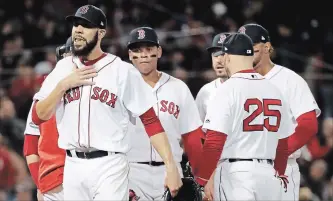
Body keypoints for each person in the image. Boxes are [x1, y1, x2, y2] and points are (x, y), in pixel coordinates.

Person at [30, 5, 182, 201]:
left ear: (101, 33)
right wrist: (62, 86)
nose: (78, 30)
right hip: (73, 165)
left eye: (85, 26)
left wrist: (170, 166)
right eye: (76, 25)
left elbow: (151, 121)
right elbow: (37, 115)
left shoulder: (121, 70)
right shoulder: (63, 68)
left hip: (109, 165)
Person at [197, 33, 292, 201]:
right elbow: (283, 145)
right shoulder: (275, 90)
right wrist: (279, 173)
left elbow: (213, 142)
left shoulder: (227, 89)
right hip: (269, 175)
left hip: (237, 175)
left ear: (227, 56)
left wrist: (202, 179)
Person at [238, 23, 321, 201]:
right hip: (242, 168)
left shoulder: (289, 80)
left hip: (280, 168)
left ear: (267, 47)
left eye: (252, 46)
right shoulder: (235, 82)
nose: (247, 52)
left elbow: (308, 124)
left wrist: (280, 152)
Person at [125, 27, 203, 201]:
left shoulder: (178, 88)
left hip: (171, 173)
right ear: (130, 55)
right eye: (137, 50)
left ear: (159, 51)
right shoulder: (121, 89)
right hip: (132, 173)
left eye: (149, 49)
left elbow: (193, 137)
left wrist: (203, 177)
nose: (144, 55)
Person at [23, 37, 72, 201]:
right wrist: (40, 185)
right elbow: (30, 148)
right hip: (56, 182)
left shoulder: (100, 90)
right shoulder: (43, 96)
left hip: (92, 175)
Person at [196, 32, 231, 122]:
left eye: (223, 54)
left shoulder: (250, 87)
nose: (218, 60)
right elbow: (197, 130)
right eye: (215, 54)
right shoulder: (206, 91)